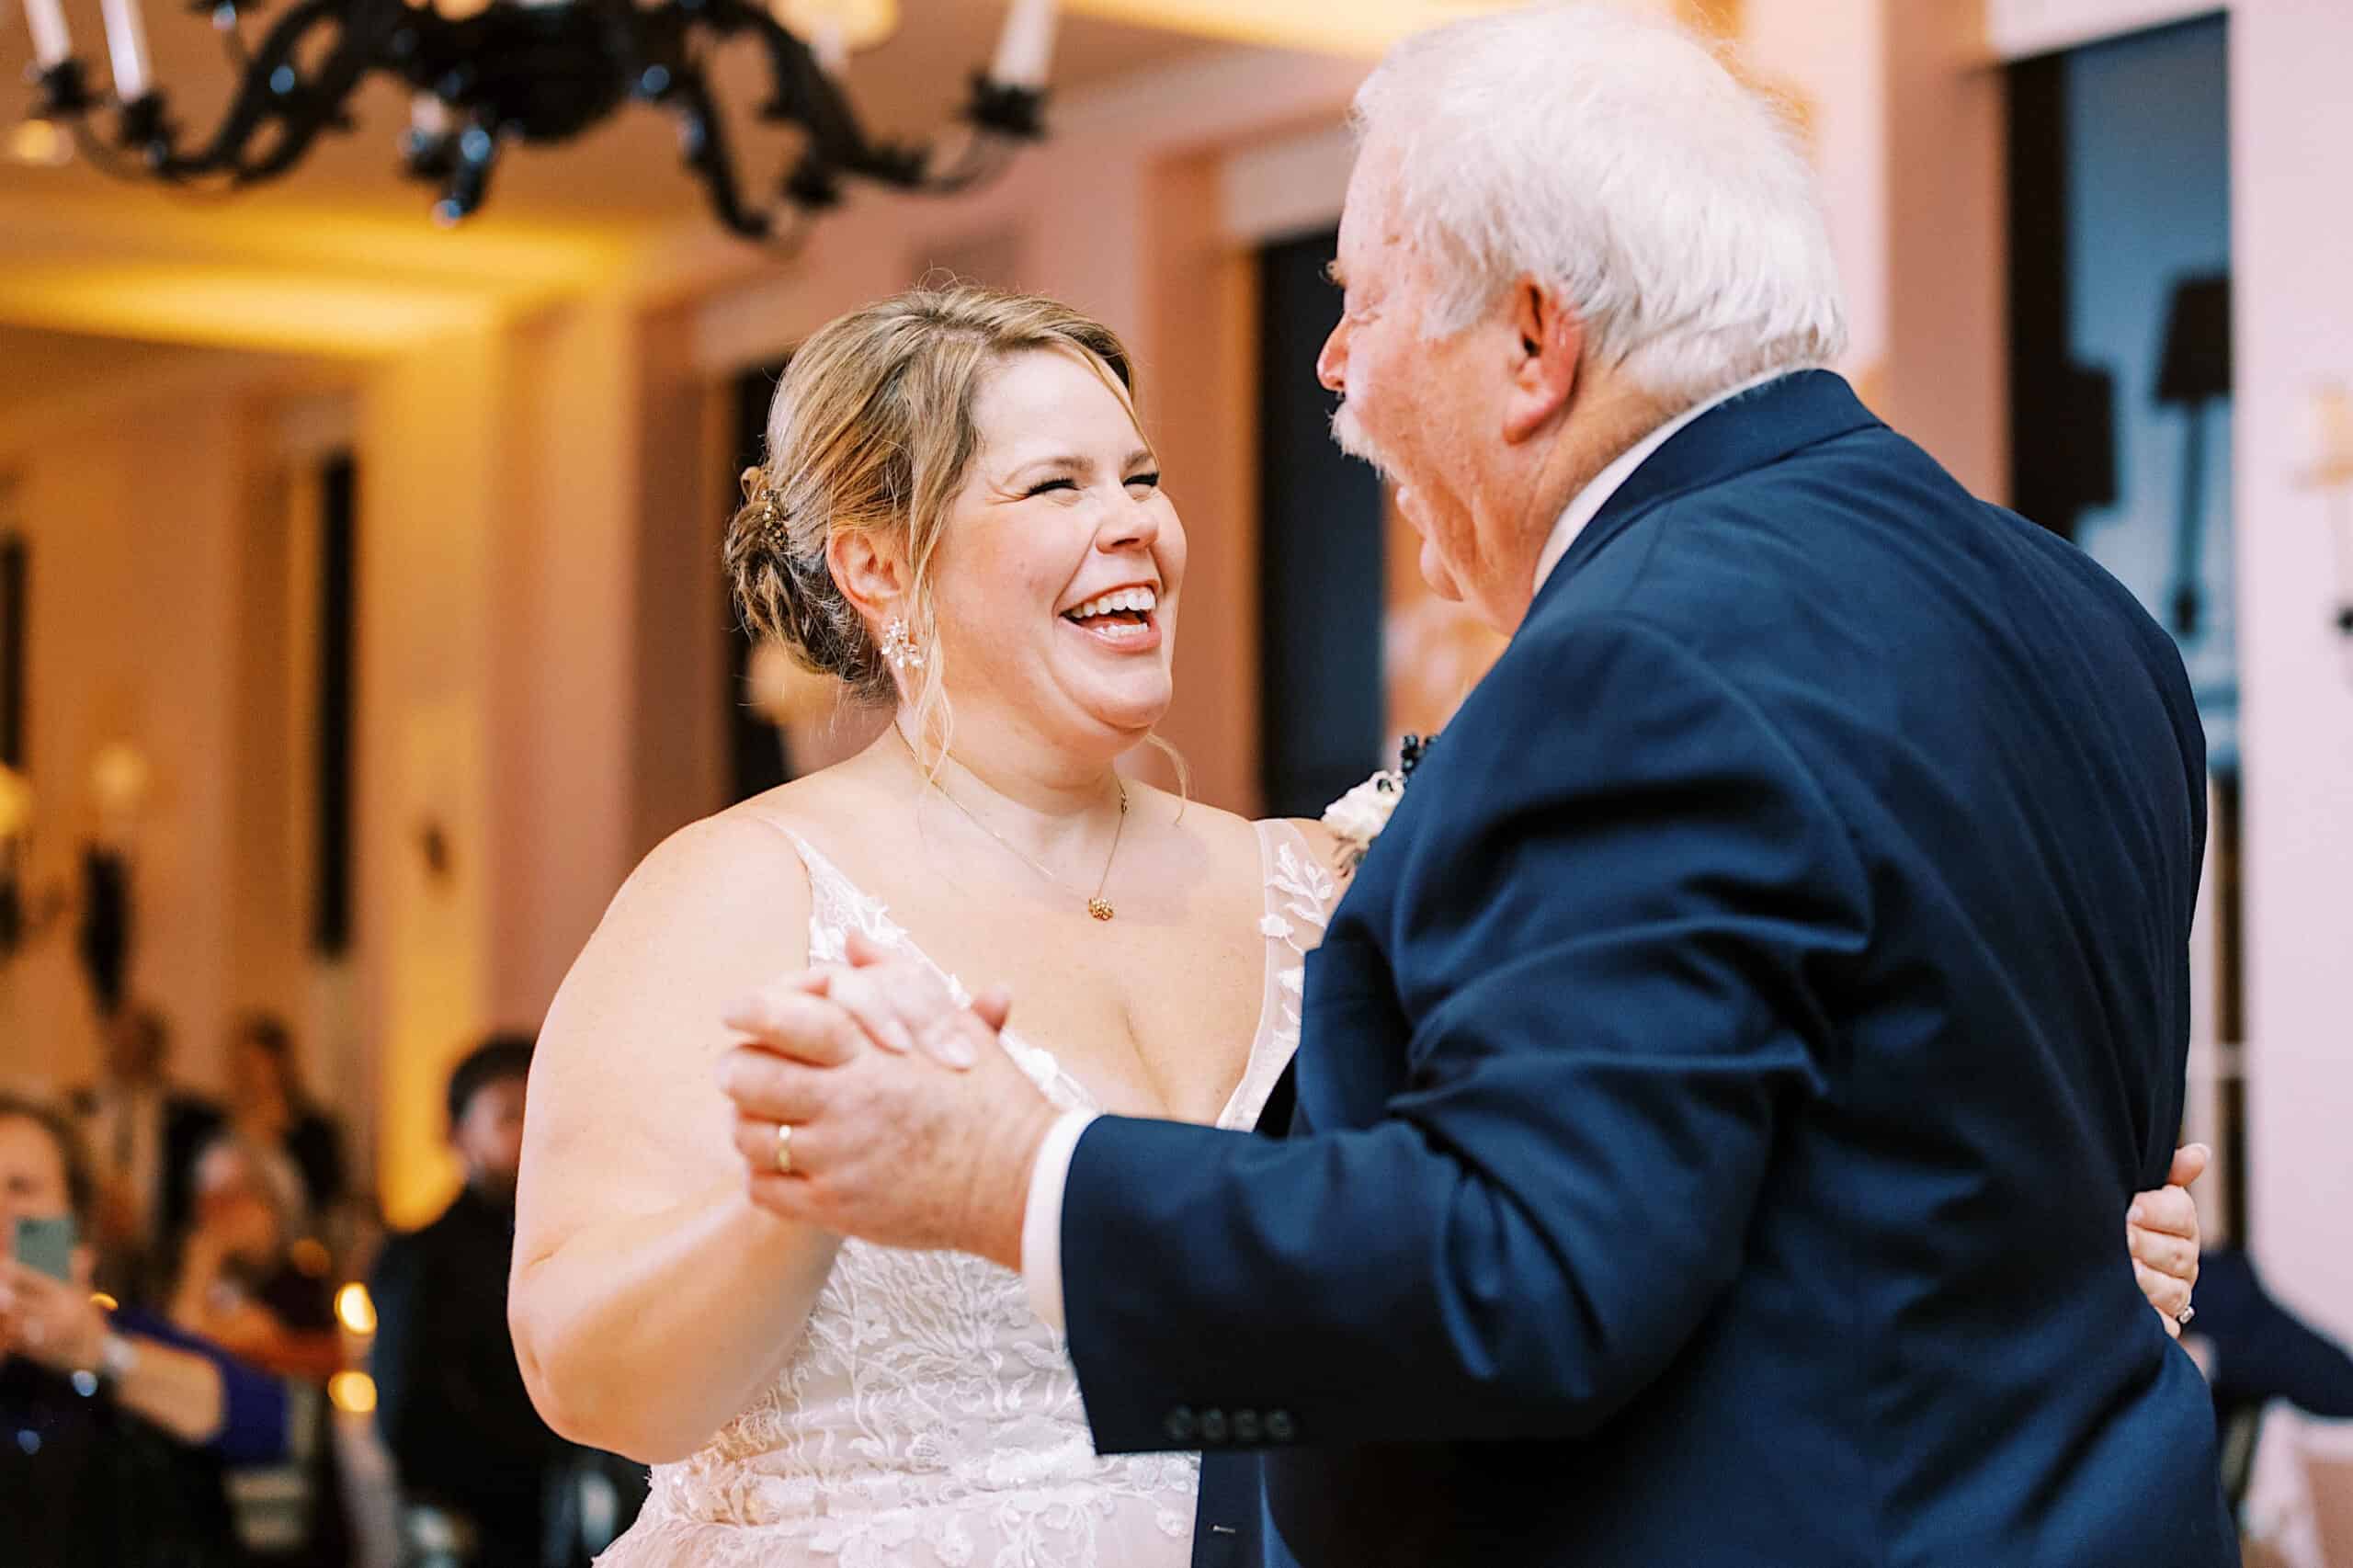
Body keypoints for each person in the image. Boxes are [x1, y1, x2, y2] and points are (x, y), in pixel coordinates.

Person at [712, 8, 2244, 1567]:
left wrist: (1010, 1173)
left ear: (1532, 341)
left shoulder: (1645, 661)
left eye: (1359, 303)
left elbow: (1520, 1281)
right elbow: (1899, 1181)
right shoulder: (2083, 618)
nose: (1331, 366)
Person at [0, 1092, 290, 1568]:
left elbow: (266, 1421)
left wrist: (99, 1353)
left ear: (77, 1223)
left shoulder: (126, 1331)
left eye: (22, 1188)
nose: (2, 1211)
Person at [372, 1035, 568, 1567]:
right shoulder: (417, 1258)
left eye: (539, 1111)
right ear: (459, 1134)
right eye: (509, 1116)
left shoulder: (572, 1243)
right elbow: (405, 1416)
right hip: (477, 1526)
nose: (532, 1133)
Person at [68, 1003, 222, 1302]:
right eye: (119, 1041)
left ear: (157, 1050)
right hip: (90, 1254)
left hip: (160, 1265)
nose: (126, 1051)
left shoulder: (193, 1120)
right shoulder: (76, 1108)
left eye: (137, 1042)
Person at [225, 1012, 348, 1225]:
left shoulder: (316, 1131)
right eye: (241, 1065)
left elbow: (325, 1199)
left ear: (279, 1064)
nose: (247, 1075)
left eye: (254, 1064)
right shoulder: (225, 1127)